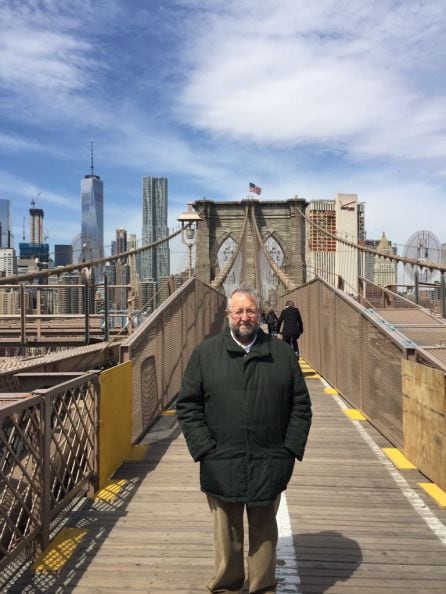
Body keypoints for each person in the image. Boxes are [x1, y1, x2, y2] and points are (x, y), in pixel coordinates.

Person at [176, 286, 312, 594]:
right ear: (228, 316)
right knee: (227, 533)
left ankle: (263, 587)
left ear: (260, 314)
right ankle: (226, 587)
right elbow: (188, 405)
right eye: (238, 311)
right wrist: (204, 449)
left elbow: (301, 405)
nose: (244, 317)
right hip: (221, 459)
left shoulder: (281, 355)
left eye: (250, 310)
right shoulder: (205, 354)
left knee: (264, 531)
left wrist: (289, 450)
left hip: (270, 459)